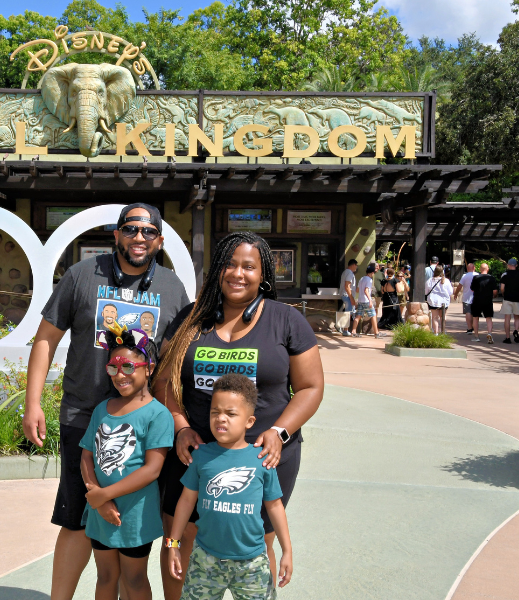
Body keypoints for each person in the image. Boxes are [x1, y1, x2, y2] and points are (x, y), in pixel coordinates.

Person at [23, 203, 190, 600]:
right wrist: (33, 403)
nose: (139, 238)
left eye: (148, 232)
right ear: (115, 235)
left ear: (160, 241)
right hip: (87, 415)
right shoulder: (82, 275)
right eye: (130, 229)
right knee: (78, 516)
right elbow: (46, 338)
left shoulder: (171, 287)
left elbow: (177, 356)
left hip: (147, 424)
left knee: (139, 520)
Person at [152, 231, 323, 600]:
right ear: (217, 270)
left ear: (264, 275)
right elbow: (163, 380)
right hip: (193, 453)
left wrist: (280, 431)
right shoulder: (191, 319)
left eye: (249, 266)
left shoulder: (286, 320)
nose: (238, 273)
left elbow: (310, 387)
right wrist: (180, 426)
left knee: (256, 546)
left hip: (265, 456)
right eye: (229, 264)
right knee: (181, 540)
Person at [167, 374, 292, 600]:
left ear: (249, 421)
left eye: (231, 414)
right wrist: (173, 543)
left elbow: (274, 506)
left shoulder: (262, 459)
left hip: (252, 565)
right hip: (205, 560)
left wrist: (287, 551)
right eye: (215, 412)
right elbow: (186, 501)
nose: (221, 419)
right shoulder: (202, 456)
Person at [81, 326, 173, 600]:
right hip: (101, 513)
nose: (120, 375)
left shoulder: (158, 414)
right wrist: (98, 498)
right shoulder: (102, 410)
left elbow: (152, 469)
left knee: (134, 579)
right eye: (113, 368)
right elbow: (87, 454)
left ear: (149, 368)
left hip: (134, 518)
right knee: (105, 576)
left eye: (129, 367)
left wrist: (103, 496)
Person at [351, 264, 383, 338]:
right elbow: (366, 290)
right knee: (373, 315)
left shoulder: (362, 279)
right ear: (372, 273)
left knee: (358, 316)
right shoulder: (369, 280)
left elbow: (358, 290)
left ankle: (353, 331)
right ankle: (376, 333)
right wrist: (370, 300)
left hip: (360, 300)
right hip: (366, 300)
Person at [470, 262, 498, 343]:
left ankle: (476, 336)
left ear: (480, 269)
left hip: (477, 300)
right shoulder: (492, 278)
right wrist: (494, 295)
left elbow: (472, 289)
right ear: (487, 269)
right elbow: (495, 291)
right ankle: (489, 333)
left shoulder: (476, 278)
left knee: (475, 318)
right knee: (488, 318)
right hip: (488, 300)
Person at [425, 265, 453, 334]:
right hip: (444, 301)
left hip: (433, 301)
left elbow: (426, 292)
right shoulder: (446, 281)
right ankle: (443, 330)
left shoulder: (430, 280)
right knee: (443, 316)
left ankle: (436, 332)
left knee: (434, 317)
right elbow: (450, 292)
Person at [499, 258, 519, 344]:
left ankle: (507, 338)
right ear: (516, 265)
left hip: (507, 298)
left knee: (507, 318)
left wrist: (503, 294)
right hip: (518, 299)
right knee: (517, 318)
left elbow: (502, 288)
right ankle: (516, 331)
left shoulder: (505, 275)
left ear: (508, 265)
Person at [337, 259, 358, 336]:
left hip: (345, 295)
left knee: (348, 312)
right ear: (353, 265)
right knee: (348, 312)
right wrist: (351, 298)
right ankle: (345, 330)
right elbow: (347, 286)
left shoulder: (345, 272)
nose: (356, 267)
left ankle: (343, 328)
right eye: (356, 265)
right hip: (347, 295)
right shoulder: (350, 273)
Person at [454, 262, 476, 334]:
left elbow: (459, 286)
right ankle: (475, 328)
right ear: (474, 268)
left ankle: (470, 328)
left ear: (467, 268)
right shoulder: (478, 275)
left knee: (468, 312)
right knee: (475, 313)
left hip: (467, 297)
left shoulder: (465, 276)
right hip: (476, 297)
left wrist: (456, 294)